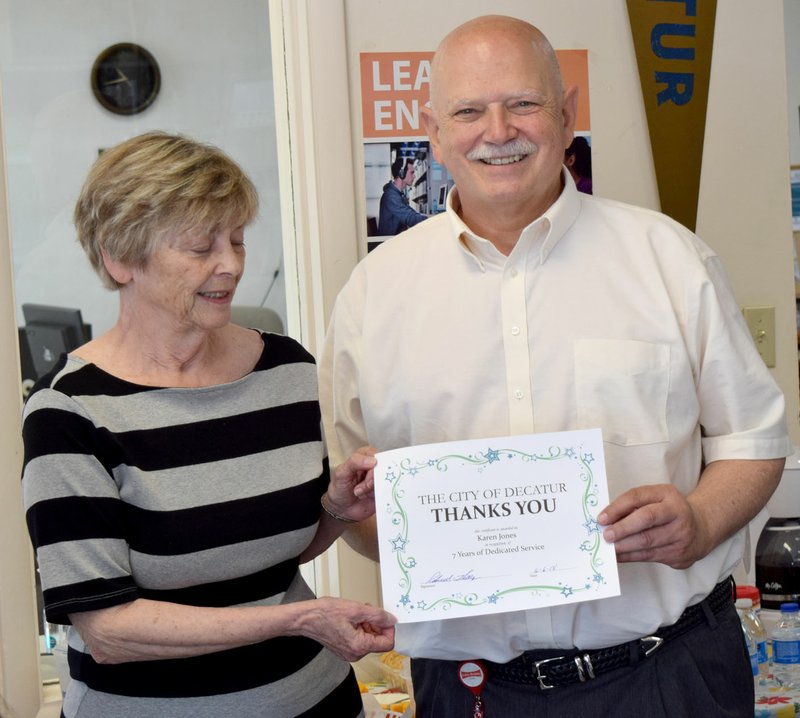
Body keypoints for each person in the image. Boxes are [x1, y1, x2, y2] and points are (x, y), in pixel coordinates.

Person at [319, 15, 791, 718]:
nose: (498, 129)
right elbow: (359, 508)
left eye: (524, 104)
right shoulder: (373, 294)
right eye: (469, 110)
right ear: (436, 131)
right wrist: (359, 516)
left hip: (668, 675)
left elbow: (753, 442)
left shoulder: (669, 260)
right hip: (470, 691)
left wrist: (698, 519)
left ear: (566, 115)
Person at [21, 131, 395, 718]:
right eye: (200, 247)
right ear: (120, 258)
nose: (232, 264)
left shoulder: (286, 368)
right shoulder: (69, 412)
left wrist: (335, 508)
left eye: (238, 239)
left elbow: (276, 554)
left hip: (316, 700)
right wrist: (300, 619)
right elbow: (109, 632)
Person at [377, 156, 428, 235]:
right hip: (391, 242)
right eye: (411, 172)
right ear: (402, 173)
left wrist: (431, 218)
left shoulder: (398, 194)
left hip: (397, 238)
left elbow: (412, 213)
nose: (414, 176)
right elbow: (410, 218)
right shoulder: (390, 196)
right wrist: (433, 220)